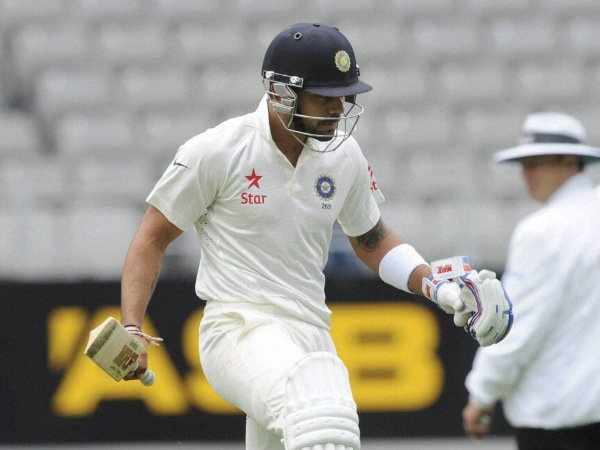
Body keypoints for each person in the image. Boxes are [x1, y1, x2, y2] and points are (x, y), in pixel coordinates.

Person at [120, 23, 512, 450]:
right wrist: (132, 326)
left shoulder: (343, 154)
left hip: (312, 335)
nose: (338, 109)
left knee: (326, 431)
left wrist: (436, 286)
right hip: (239, 326)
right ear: (281, 92)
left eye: (344, 97)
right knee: (321, 420)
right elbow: (152, 238)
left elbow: (371, 238)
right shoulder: (217, 150)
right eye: (325, 97)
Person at [462, 112, 600, 450]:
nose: (526, 174)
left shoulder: (541, 231)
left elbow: (514, 328)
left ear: (570, 161)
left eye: (536, 163)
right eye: (523, 164)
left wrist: (481, 395)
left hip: (556, 420)